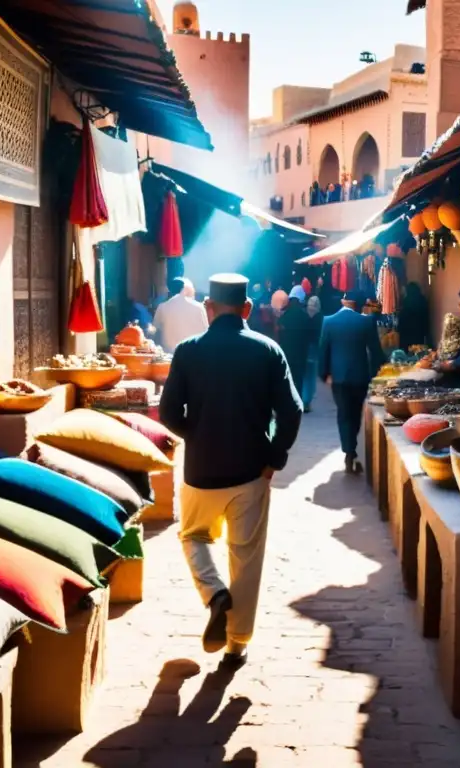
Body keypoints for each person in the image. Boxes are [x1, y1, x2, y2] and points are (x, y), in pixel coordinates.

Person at [159, 273, 303, 670]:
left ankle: (214, 592)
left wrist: (198, 435)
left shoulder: (188, 351)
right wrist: (276, 457)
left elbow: (169, 413)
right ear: (247, 309)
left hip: (201, 471)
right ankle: (236, 646)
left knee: (193, 537)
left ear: (208, 309)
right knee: (246, 557)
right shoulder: (267, 349)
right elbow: (291, 411)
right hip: (251, 471)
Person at [318, 289, 385, 474]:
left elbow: (323, 350)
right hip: (360, 376)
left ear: (343, 301)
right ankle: (351, 448)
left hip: (338, 377)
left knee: (343, 413)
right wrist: (382, 369)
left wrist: (324, 374)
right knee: (355, 414)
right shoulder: (366, 322)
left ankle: (349, 450)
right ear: (359, 304)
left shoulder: (328, 321)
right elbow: (375, 351)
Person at [277, 286, 315, 409]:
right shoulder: (305, 317)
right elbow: (310, 336)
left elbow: (279, 334)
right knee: (299, 379)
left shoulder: (284, 316)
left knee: (287, 378)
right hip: (300, 353)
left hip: (286, 352)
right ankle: (297, 403)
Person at [153, 277, 208, 352]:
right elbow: (206, 331)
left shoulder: (162, 307)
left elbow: (155, 331)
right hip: (195, 354)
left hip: (169, 356)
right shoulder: (199, 307)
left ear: (169, 291)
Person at [301, 295, 323, 412]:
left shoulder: (304, 317)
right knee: (310, 377)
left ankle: (303, 400)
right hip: (314, 350)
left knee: (304, 376)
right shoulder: (320, 318)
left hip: (303, 349)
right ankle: (307, 401)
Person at [397, 281, 429, 350]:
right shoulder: (422, 300)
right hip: (418, 333)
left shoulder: (406, 301)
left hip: (406, 334)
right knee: (417, 351)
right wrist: (425, 332)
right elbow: (425, 318)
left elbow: (402, 319)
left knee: (406, 353)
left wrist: (398, 329)